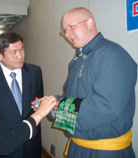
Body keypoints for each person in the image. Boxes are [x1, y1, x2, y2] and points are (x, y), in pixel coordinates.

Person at [43, 7, 137, 158]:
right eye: (64, 30)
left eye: (71, 27)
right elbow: (71, 97)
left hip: (104, 151)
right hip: (78, 145)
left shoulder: (112, 55)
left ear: (89, 23)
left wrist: (58, 111)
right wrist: (53, 102)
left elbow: (105, 107)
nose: (67, 34)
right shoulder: (78, 59)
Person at [0, 31, 44, 158]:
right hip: (2, 144)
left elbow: (38, 103)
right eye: (13, 52)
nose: (20, 56)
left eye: (22, 49)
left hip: (31, 143)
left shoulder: (35, 72)